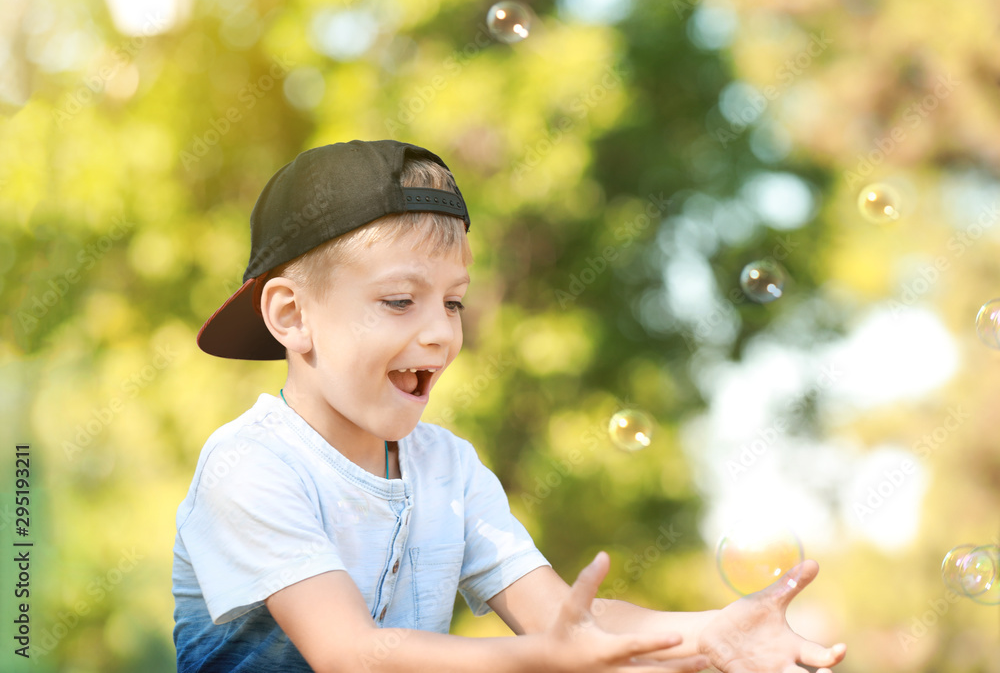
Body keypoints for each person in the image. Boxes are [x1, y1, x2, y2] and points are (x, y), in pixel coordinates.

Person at [172, 139, 847, 673]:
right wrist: (545, 660)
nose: (440, 331)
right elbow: (350, 654)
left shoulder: (448, 469)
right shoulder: (249, 465)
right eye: (401, 300)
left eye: (454, 301)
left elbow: (560, 622)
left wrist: (706, 633)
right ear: (292, 315)